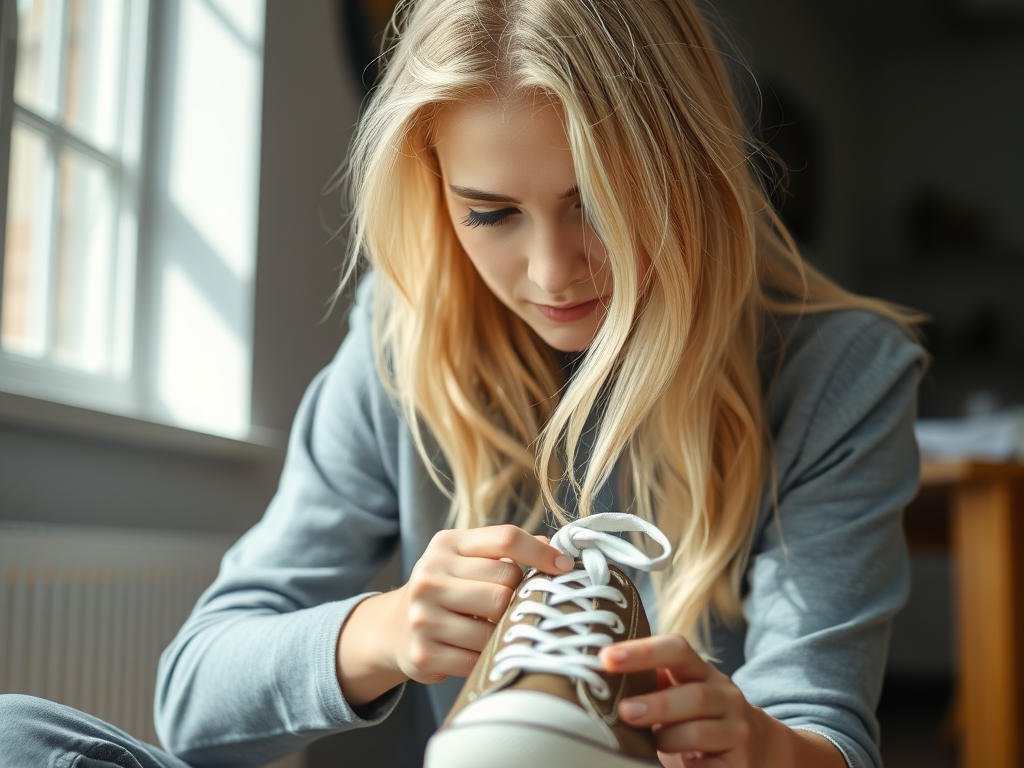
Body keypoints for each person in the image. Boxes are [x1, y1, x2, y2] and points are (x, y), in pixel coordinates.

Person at [0, 1, 925, 767]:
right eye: (491, 214)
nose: (554, 272)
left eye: (597, 202)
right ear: (434, 191)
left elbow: (827, 723)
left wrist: (765, 748)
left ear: (686, 167)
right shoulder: (404, 347)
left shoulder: (839, 375)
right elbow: (193, 699)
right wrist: (386, 630)